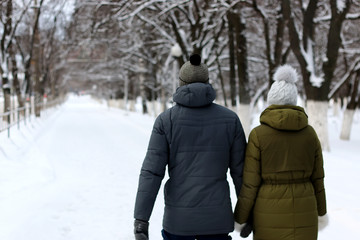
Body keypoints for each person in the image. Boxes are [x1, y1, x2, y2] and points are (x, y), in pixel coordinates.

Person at [134, 54, 247, 240]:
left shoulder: (166, 121)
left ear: (181, 83)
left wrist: (141, 219)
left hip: (178, 222)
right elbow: (241, 172)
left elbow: (152, 172)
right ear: (207, 82)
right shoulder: (230, 120)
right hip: (216, 221)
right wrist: (246, 215)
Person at [234, 65, 328, 240]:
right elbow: (318, 179)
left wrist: (241, 217)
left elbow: (250, 183)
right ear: (294, 100)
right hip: (305, 210)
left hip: (268, 212)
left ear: (271, 100)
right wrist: (321, 213)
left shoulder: (258, 135)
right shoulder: (310, 134)